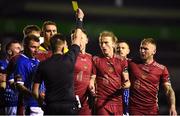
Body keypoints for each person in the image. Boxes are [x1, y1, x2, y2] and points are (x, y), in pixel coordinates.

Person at [32, 8, 84, 115]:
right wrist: (80, 19)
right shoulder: (70, 58)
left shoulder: (43, 64)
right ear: (64, 44)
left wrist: (41, 104)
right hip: (69, 107)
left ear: (51, 45)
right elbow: (77, 38)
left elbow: (35, 91)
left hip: (51, 106)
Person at [128, 38, 177, 115]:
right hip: (134, 110)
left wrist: (172, 106)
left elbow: (168, 90)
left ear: (154, 51)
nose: (142, 51)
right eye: (141, 48)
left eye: (145, 49)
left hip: (152, 111)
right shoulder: (131, 63)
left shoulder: (161, 69)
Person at [89, 31, 130, 115]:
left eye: (106, 42)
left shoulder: (122, 60)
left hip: (118, 102)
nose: (103, 45)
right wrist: (91, 85)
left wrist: (126, 84)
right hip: (101, 102)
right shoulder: (96, 59)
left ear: (113, 44)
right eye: (101, 43)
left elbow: (127, 80)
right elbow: (92, 78)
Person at [13, 35, 44, 115]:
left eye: (38, 47)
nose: (36, 50)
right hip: (31, 105)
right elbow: (19, 85)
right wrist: (35, 96)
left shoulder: (37, 61)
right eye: (33, 47)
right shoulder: (21, 62)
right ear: (25, 46)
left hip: (41, 104)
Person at [72, 29, 93, 115]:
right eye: (74, 38)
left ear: (87, 40)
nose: (78, 41)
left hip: (86, 102)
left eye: (81, 38)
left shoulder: (92, 58)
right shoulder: (68, 57)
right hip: (69, 100)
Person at [0, 40, 22, 115]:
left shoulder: (22, 65)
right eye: (18, 48)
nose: (21, 50)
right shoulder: (1, 64)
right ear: (9, 52)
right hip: (6, 104)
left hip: (21, 104)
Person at [116, 40, 130, 116]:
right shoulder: (110, 64)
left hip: (130, 101)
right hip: (114, 99)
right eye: (118, 48)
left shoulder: (133, 64)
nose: (120, 50)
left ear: (128, 51)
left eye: (123, 48)